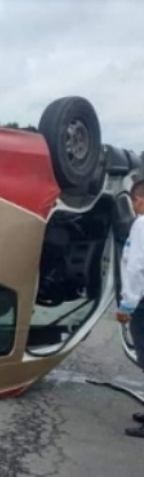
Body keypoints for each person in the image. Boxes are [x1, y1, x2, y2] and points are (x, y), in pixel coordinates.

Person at [117, 177, 144, 438]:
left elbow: (137, 268)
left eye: (135, 200)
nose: (134, 206)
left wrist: (127, 305)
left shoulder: (141, 224)